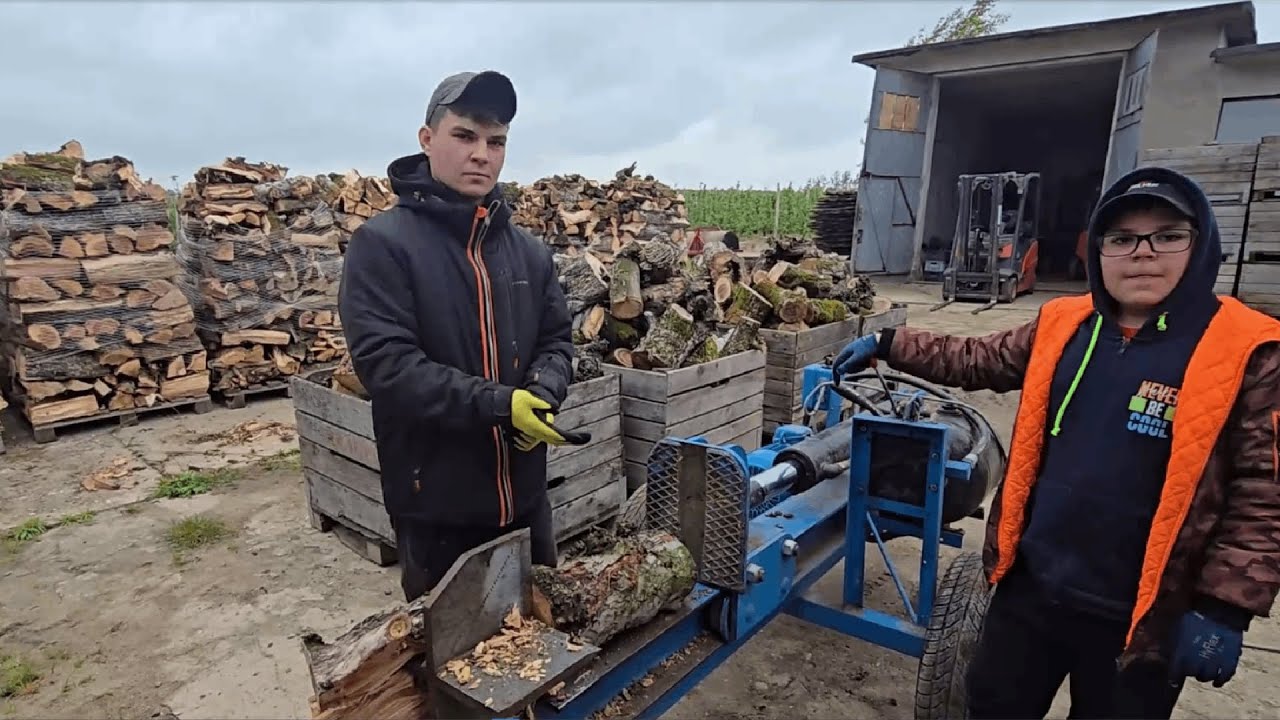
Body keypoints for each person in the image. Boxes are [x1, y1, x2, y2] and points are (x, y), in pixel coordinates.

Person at [831, 166, 1280, 719]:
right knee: (993, 706)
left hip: (1141, 616)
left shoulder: (1249, 349)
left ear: (1200, 242)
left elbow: (1264, 492)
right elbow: (979, 359)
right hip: (1031, 587)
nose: (1142, 253)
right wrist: (889, 341)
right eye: (1121, 239)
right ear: (1098, 252)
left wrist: (1225, 608)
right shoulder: (1064, 322)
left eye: (1166, 236)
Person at [339, 70, 578, 603]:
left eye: (496, 142)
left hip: (525, 499)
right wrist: (499, 405)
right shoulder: (382, 246)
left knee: (538, 641)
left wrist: (542, 392)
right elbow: (388, 368)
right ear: (427, 139)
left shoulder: (528, 253)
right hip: (437, 507)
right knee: (454, 668)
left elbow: (558, 343)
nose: (482, 155)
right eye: (465, 136)